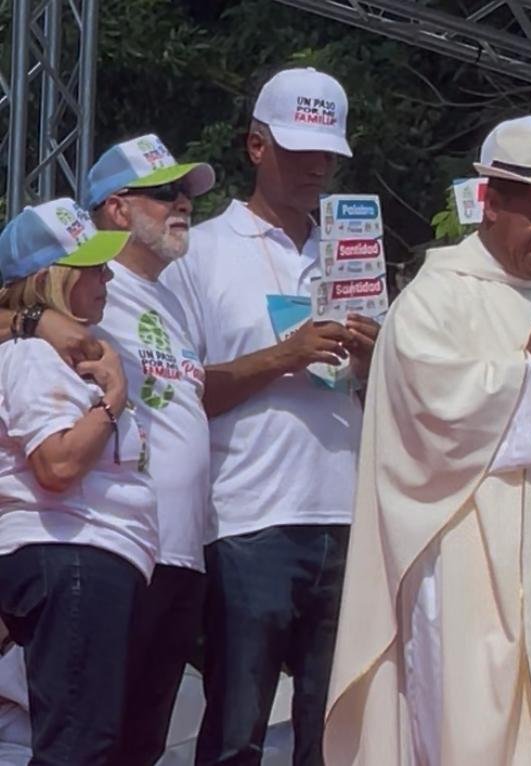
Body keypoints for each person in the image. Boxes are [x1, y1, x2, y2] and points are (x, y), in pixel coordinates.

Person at [323, 115, 531, 765]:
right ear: (490, 204)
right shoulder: (433, 300)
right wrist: (528, 364)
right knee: (465, 727)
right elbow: (426, 423)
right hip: (462, 548)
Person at [161, 67, 376, 764]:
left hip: (346, 513)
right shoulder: (199, 252)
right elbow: (178, 394)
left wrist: (377, 362)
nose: (317, 167)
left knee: (334, 735)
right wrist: (283, 356)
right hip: (246, 518)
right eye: (298, 150)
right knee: (236, 732)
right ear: (257, 146)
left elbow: (390, 398)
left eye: (329, 154)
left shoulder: (355, 253)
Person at [0, 199, 156, 764]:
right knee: (78, 748)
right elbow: (58, 465)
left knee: (86, 742)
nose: (107, 277)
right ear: (54, 278)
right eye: (92, 267)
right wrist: (113, 401)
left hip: (85, 558)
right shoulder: (32, 355)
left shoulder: (56, 353)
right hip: (70, 554)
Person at [84, 133, 216, 765]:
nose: (182, 203)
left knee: (143, 743)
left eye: (185, 192)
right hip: (119, 545)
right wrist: (37, 318)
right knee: (93, 738)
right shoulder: (83, 282)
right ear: (117, 208)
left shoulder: (172, 295)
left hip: (181, 550)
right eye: (165, 193)